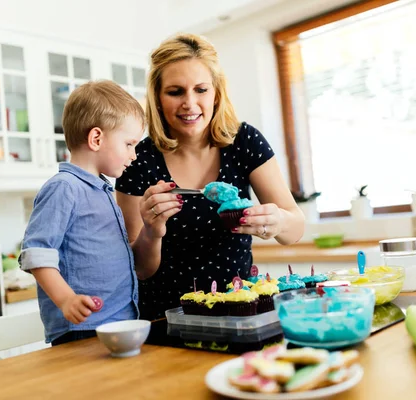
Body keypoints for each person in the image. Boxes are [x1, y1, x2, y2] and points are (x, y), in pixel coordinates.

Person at [115, 33, 305, 320]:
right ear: (156, 98)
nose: (190, 103)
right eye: (175, 92)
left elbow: (295, 229)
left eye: (201, 89)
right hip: (165, 318)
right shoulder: (137, 160)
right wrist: (152, 232)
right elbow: (139, 269)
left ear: (216, 92)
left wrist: (276, 221)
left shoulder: (245, 142)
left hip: (239, 311)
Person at [19, 80, 145, 345]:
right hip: (84, 327)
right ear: (96, 138)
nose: (134, 155)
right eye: (129, 144)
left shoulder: (102, 190)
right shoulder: (64, 188)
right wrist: (65, 299)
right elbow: (36, 253)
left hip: (118, 319)